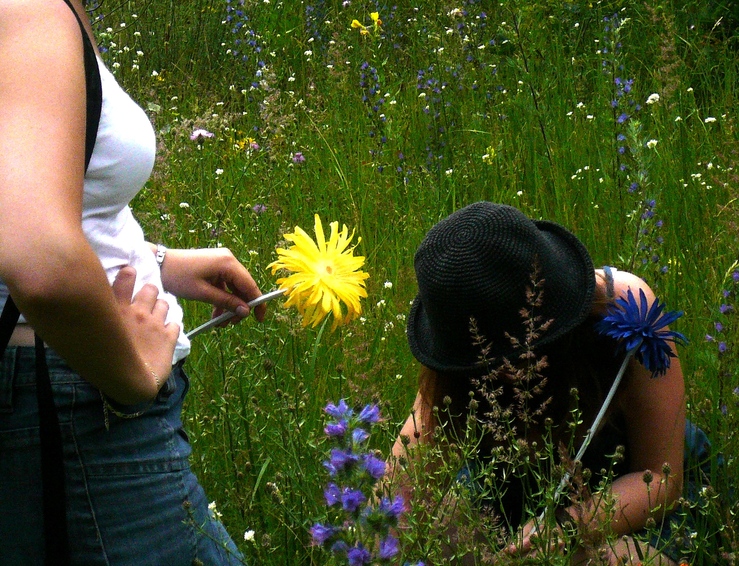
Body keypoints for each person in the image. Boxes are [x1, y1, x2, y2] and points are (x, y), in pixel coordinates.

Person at [0, 0, 265, 563]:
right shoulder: (29, 11)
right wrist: (136, 376)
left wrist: (162, 264)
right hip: (77, 399)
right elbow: (40, 262)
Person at [391, 202, 687, 565]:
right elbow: (398, 496)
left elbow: (661, 479)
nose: (507, 372)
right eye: (487, 362)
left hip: (630, 505)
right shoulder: (451, 367)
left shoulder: (626, 311)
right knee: (442, 536)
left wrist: (571, 525)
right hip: (508, 501)